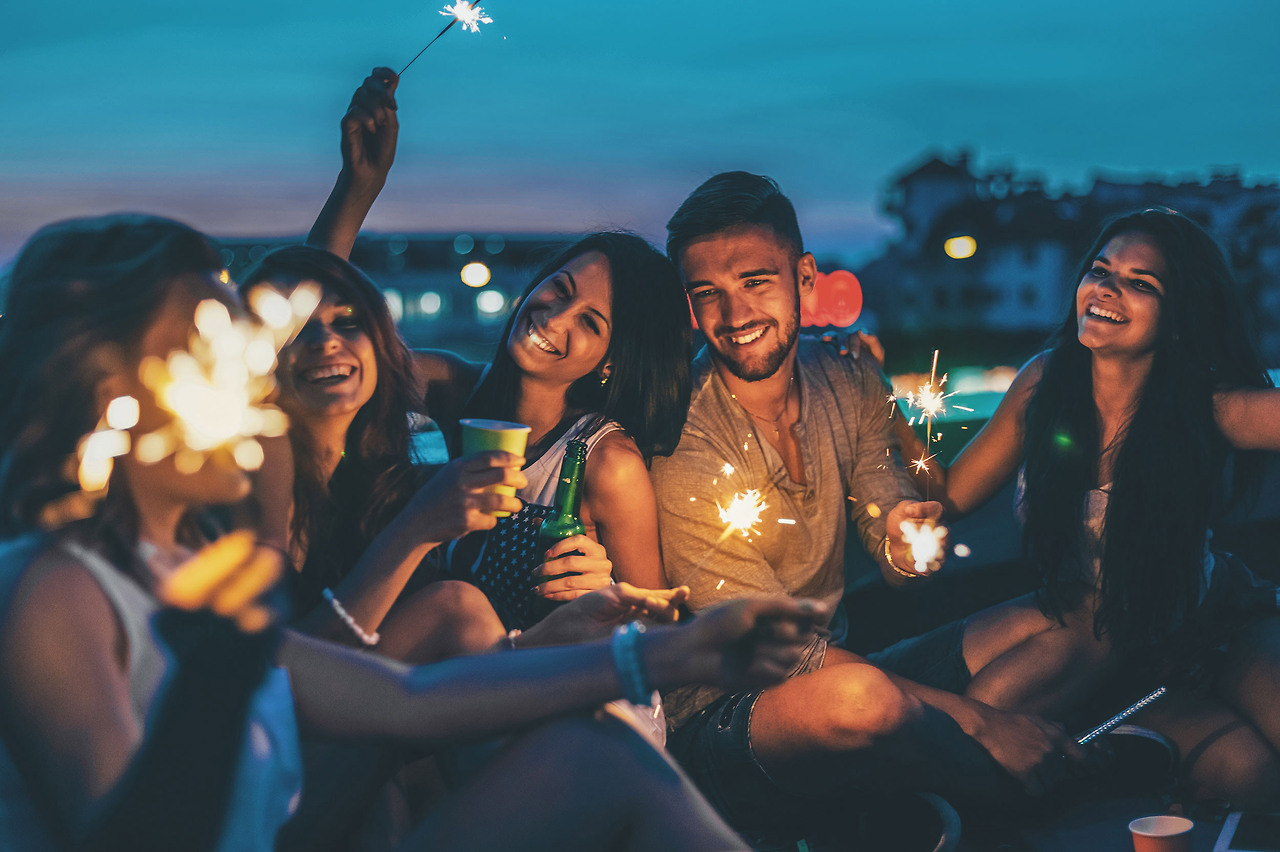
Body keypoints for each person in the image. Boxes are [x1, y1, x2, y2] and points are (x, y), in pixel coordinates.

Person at [0, 213, 834, 852]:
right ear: (111, 392)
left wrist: (674, 653)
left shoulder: (164, 569)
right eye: (220, 350)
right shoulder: (56, 589)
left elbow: (407, 699)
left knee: (598, 757)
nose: (260, 371)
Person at [648, 171, 1086, 838]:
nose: (733, 318)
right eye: (707, 293)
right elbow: (775, 652)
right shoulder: (682, 433)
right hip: (725, 718)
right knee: (864, 699)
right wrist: (980, 721)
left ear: (804, 279)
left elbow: (892, 540)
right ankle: (1029, 807)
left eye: (755, 283)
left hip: (842, 669)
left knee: (1053, 621)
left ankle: (922, 786)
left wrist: (907, 539)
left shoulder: (846, 375)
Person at [886, 207, 1280, 809]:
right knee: (1242, 769)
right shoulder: (1043, 387)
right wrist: (875, 398)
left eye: (1140, 283)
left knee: (1260, 772)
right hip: (1099, 645)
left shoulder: (1203, 405)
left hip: (1214, 622)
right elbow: (949, 494)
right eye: (1100, 270)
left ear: (1178, 318)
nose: (1106, 288)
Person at [305, 69, 693, 629]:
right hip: (446, 687)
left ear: (611, 360)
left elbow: (660, 632)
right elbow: (316, 347)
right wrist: (358, 187)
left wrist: (603, 591)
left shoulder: (606, 464)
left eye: (590, 322)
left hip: (549, 695)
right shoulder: (447, 389)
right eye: (558, 289)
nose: (555, 316)